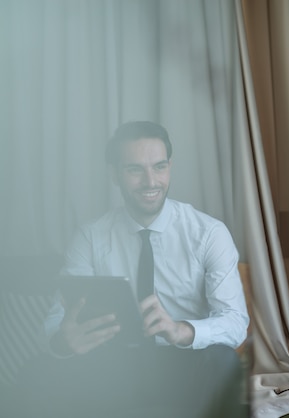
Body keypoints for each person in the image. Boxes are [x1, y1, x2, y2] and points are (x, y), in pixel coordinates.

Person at [18, 121, 249, 418]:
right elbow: (54, 323)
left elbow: (234, 322)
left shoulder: (209, 233)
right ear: (114, 174)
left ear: (170, 167)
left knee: (223, 361)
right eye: (134, 169)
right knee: (37, 371)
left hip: (183, 364)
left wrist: (181, 331)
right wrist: (65, 341)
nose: (150, 181)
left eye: (159, 166)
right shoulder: (90, 237)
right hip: (114, 367)